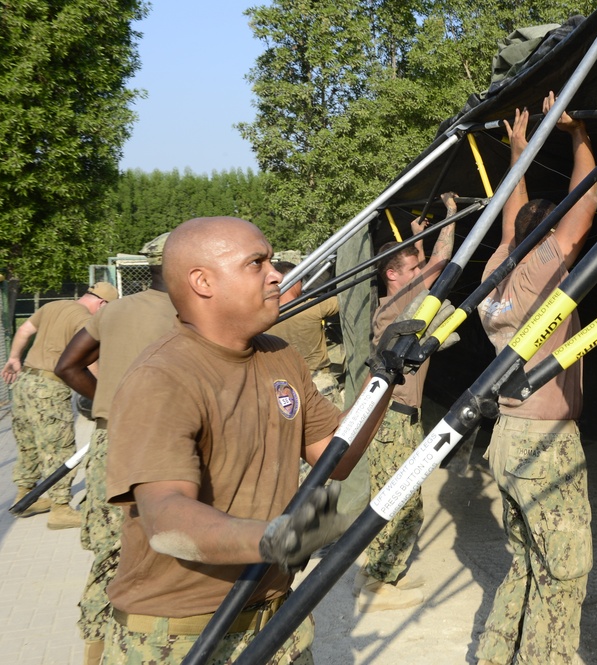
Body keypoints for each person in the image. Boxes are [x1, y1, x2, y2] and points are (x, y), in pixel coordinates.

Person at [100, 216, 399, 664]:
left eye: (271, 261)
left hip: (277, 621)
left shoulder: (279, 355)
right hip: (181, 637)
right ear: (202, 282)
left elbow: (334, 457)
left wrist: (386, 378)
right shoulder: (163, 378)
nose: (276, 274)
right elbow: (165, 518)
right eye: (256, 263)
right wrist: (275, 539)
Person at [475, 92, 597, 665]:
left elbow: (511, 221)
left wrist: (520, 151)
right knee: (564, 571)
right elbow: (585, 206)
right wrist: (576, 136)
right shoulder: (536, 280)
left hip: (506, 436)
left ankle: (499, 654)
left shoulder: (498, 274)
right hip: (544, 442)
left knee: (525, 563)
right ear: (542, 240)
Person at [54, 232, 176, 665]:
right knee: (155, 550)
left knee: (109, 550)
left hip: (109, 440)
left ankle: (94, 646)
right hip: (160, 446)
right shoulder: (191, 314)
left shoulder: (117, 310)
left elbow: (67, 365)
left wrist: (112, 401)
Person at [354, 190, 459, 613]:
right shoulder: (398, 304)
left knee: (392, 495)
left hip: (398, 416)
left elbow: (425, 264)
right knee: (403, 499)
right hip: (393, 418)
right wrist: (449, 216)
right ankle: (380, 585)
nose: (420, 272)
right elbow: (440, 265)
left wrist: (418, 235)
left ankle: (378, 572)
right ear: (393, 276)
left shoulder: (395, 302)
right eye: (411, 267)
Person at [2, 281, 119, 529]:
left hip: (24, 382)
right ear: (102, 303)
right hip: (49, 389)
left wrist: (14, 358)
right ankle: (60, 509)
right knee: (59, 446)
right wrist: (104, 393)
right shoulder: (85, 320)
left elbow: (24, 330)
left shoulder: (52, 305)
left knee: (28, 441)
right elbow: (88, 361)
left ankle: (25, 494)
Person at [268, 261, 343, 410]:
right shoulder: (313, 306)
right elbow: (346, 301)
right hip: (318, 382)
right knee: (336, 428)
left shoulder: (263, 315)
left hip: (281, 385)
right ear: (296, 282)